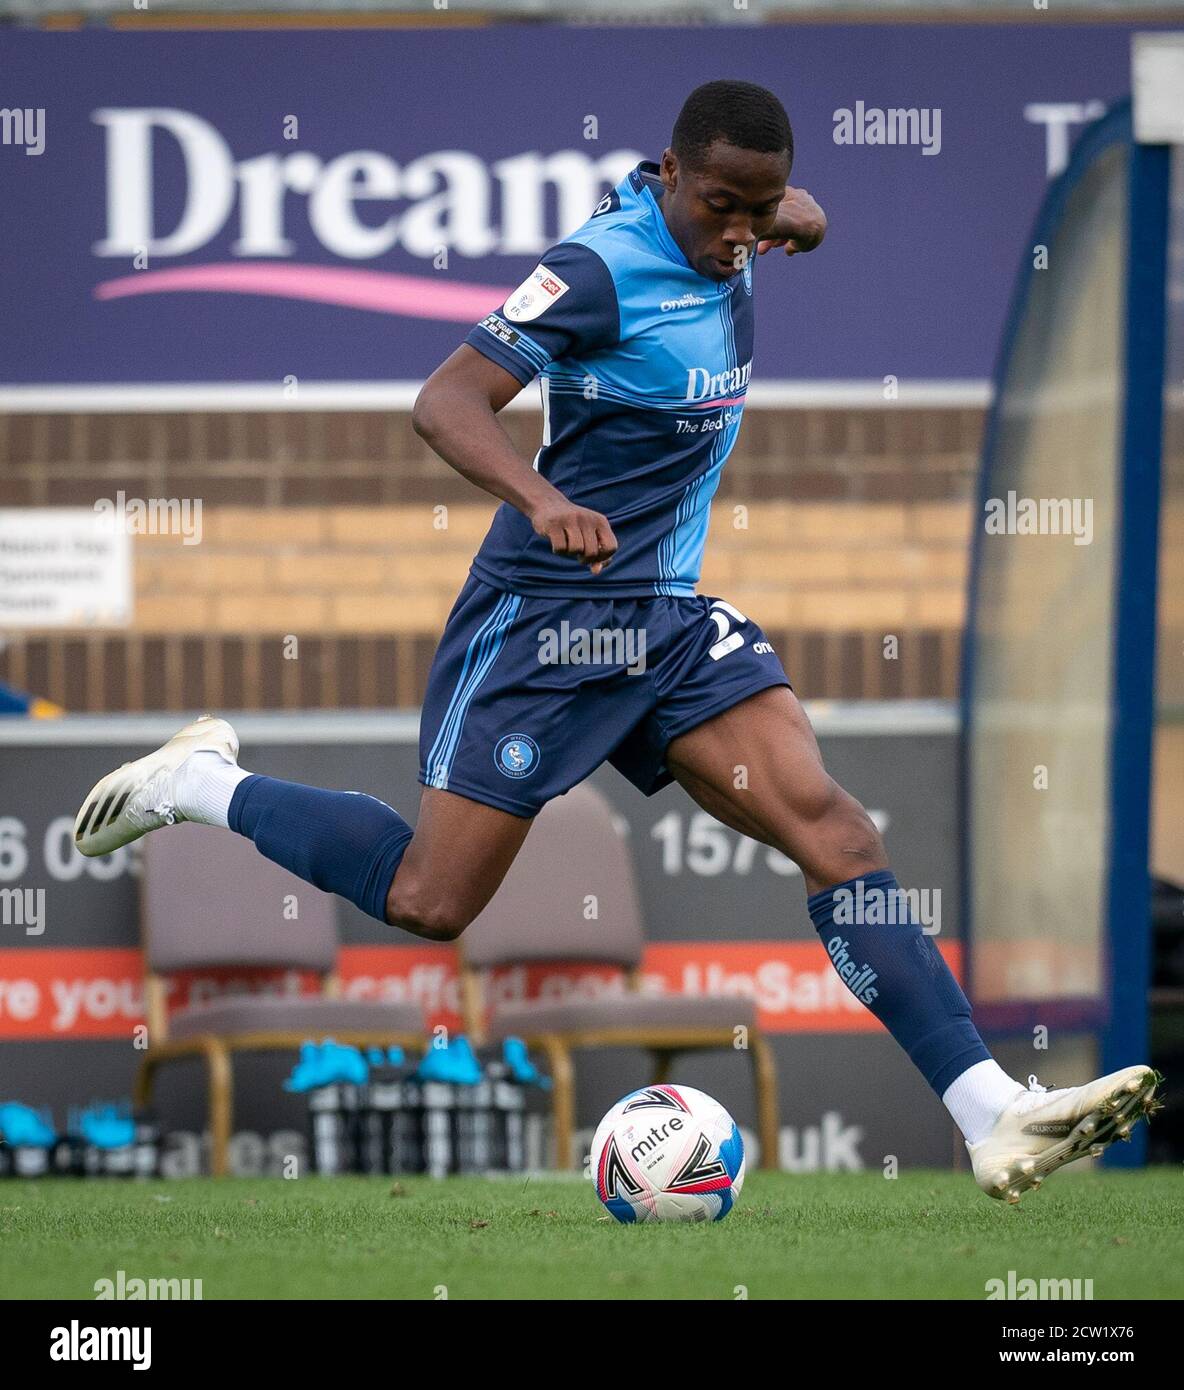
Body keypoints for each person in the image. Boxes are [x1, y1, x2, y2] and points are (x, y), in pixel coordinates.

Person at [73, 79, 1158, 1200]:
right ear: (669, 175)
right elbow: (444, 402)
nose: (738, 233)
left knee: (833, 829)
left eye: (759, 206)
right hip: (547, 619)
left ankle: (990, 1114)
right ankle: (204, 782)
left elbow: (804, 214)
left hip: (670, 623)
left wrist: (795, 214)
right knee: (430, 902)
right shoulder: (595, 270)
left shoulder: (750, 221)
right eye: (719, 207)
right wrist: (539, 497)